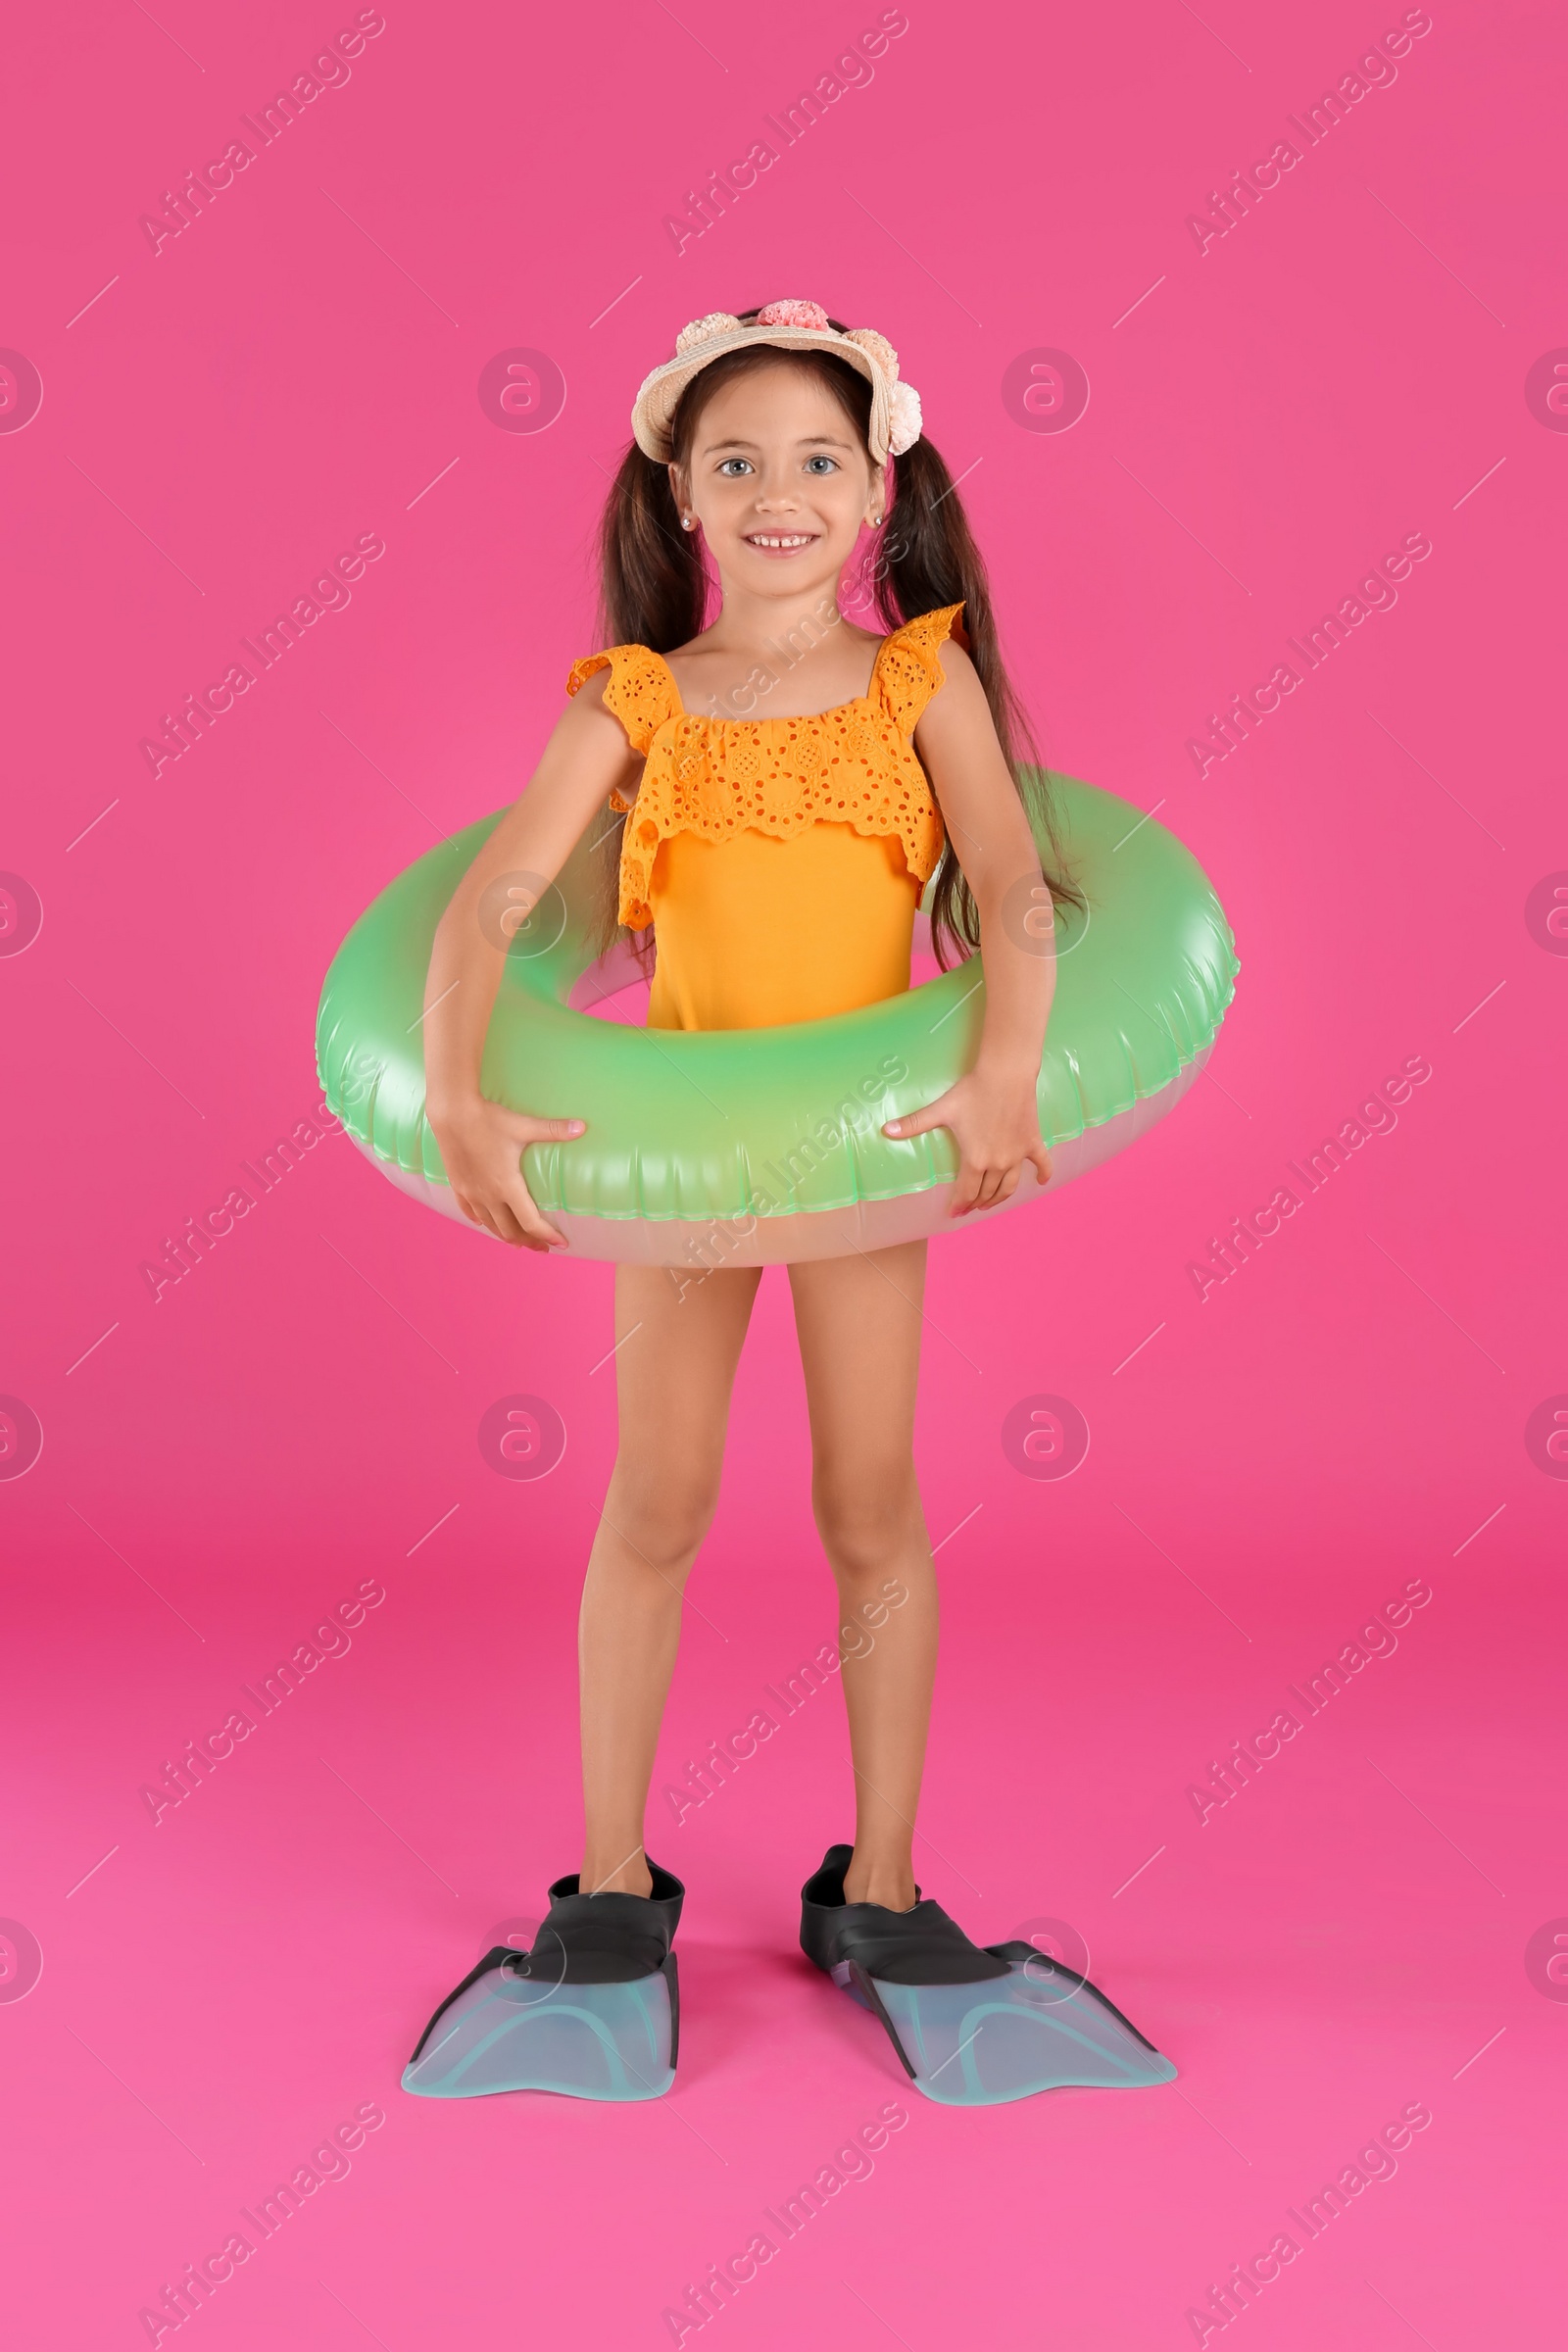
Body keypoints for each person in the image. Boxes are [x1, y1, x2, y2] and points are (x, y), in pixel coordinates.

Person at [401, 303, 1172, 2107]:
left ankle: (883, 1888)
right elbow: (495, 899)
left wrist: (1002, 1067)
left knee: (869, 1499)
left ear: (879, 488)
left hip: (860, 1166)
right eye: (736, 461)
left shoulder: (922, 679)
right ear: (680, 492)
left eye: (818, 459)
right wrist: (455, 1092)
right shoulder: (638, 699)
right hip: (679, 1171)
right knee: (656, 1498)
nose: (777, 494)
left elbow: (1013, 884)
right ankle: (606, 1881)